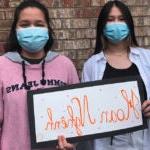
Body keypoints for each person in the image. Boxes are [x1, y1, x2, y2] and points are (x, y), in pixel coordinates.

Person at [0, 1, 79, 150]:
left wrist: (72, 144)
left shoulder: (65, 65)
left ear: (48, 29)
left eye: (39, 24)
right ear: (15, 30)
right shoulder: (2, 66)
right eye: (24, 24)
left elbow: (77, 118)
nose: (32, 29)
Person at [82, 1, 150, 150]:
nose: (116, 24)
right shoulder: (91, 65)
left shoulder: (147, 59)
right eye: (110, 19)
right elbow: (85, 112)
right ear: (102, 26)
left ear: (129, 24)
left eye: (121, 19)